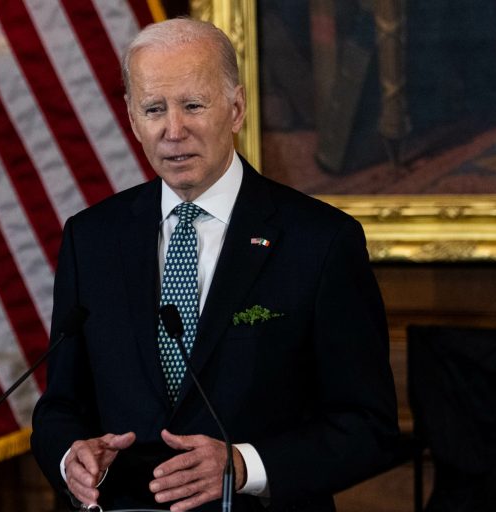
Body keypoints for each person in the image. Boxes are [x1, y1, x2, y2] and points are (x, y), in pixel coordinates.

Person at [31, 18, 398, 512]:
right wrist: (69, 457)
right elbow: (60, 408)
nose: (173, 130)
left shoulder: (320, 241)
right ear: (133, 118)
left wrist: (245, 466)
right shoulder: (91, 238)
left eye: (193, 106)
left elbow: (367, 427)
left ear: (236, 108)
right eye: (155, 109)